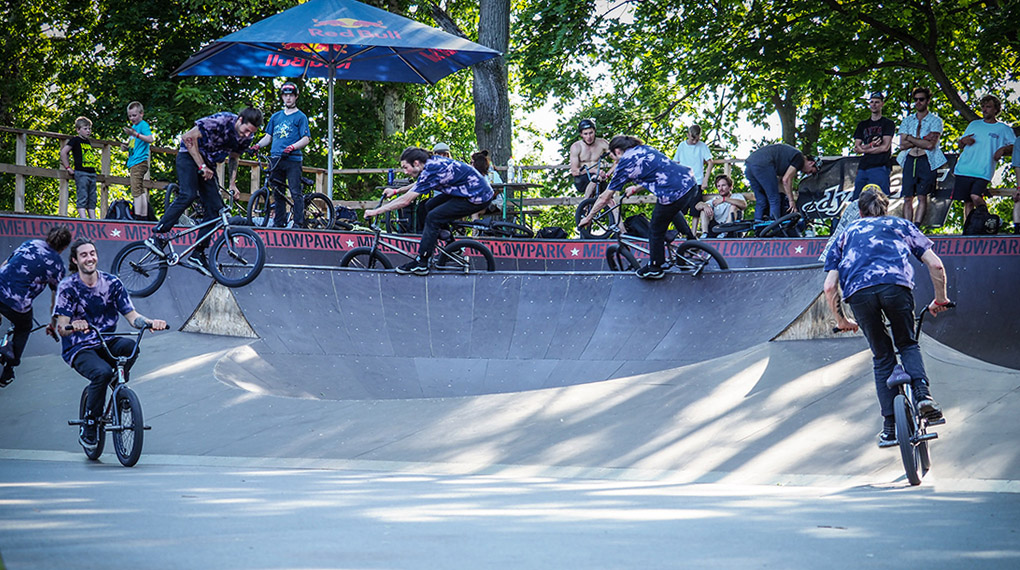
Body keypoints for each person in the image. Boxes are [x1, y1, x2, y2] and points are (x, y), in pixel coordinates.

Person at [823, 188, 950, 448]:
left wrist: (841, 320)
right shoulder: (901, 225)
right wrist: (940, 299)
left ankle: (890, 428)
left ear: (860, 212)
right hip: (895, 287)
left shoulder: (846, 234)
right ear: (886, 208)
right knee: (907, 344)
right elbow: (936, 264)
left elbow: (829, 286)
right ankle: (923, 396)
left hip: (859, 294)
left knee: (882, 356)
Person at [53, 238, 167, 451]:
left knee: (130, 348)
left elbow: (132, 317)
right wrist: (73, 325)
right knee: (101, 373)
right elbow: (61, 327)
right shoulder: (68, 287)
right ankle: (89, 425)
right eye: (84, 255)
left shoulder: (112, 283)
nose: (89, 258)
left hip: (106, 341)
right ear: (75, 260)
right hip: (79, 347)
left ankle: (118, 386)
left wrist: (150, 322)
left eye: (92, 253)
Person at [145, 107, 263, 275]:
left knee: (215, 210)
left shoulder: (246, 138)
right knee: (188, 194)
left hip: (208, 165)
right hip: (188, 157)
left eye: (251, 133)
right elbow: (188, 137)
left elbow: (234, 157)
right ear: (240, 120)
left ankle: (198, 254)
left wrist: (232, 183)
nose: (246, 135)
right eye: (246, 130)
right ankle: (157, 235)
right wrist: (201, 166)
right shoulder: (221, 121)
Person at [578, 136, 699, 279]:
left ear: (617, 151)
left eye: (612, 156)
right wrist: (635, 188)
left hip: (673, 192)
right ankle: (691, 241)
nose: (614, 161)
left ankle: (655, 267)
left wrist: (589, 217)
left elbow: (605, 197)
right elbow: (658, 172)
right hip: (691, 183)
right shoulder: (645, 149)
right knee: (670, 208)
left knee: (655, 229)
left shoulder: (624, 164)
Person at [364, 147, 494, 275]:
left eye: (405, 167)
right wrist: (396, 191)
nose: (405, 172)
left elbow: (405, 201)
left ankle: (422, 262)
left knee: (433, 217)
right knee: (427, 206)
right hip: (466, 191)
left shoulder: (432, 169)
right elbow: (419, 184)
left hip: (478, 197)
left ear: (416, 163)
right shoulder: (430, 164)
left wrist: (376, 211)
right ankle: (451, 246)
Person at [0, 226, 72, 386]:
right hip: (17, 303)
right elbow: (56, 302)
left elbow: (5, 264)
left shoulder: (30, 243)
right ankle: (8, 371)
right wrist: (53, 324)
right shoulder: (57, 266)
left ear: (48, 237)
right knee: (24, 328)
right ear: (65, 247)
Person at [250, 83, 312, 228]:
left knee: (295, 191)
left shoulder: (300, 117)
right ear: (282, 97)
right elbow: (268, 137)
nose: (288, 98)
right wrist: (257, 146)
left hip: (292, 159)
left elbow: (306, 138)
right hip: (276, 158)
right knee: (277, 192)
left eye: (291, 95)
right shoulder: (276, 117)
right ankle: (279, 221)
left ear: (296, 97)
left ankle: (298, 222)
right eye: (286, 95)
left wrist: (292, 147)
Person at [951, 95, 1015, 220]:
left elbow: (1015, 146)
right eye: (983, 107)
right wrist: (963, 141)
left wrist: (1003, 149)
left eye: (988, 107)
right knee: (968, 201)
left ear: (996, 109)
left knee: (976, 196)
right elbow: (960, 144)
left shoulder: (1003, 128)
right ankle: (969, 227)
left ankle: (987, 220)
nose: (984, 109)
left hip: (983, 170)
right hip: (964, 168)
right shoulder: (974, 124)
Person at [897, 88, 946, 226]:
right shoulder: (907, 121)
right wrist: (922, 139)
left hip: (926, 160)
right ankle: (907, 226)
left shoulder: (935, 121)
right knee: (907, 196)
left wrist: (910, 138)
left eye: (921, 99)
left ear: (928, 101)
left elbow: (930, 145)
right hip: (909, 159)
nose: (918, 102)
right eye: (916, 99)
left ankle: (917, 226)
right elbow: (902, 145)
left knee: (922, 196)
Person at [743, 144, 818, 221]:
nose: (807, 174)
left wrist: (785, 197)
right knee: (774, 198)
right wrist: (791, 201)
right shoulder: (799, 159)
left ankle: (757, 224)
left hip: (750, 164)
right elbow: (786, 180)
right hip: (763, 163)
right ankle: (774, 224)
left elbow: (780, 181)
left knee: (761, 200)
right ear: (811, 163)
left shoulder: (786, 159)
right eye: (811, 171)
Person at [852, 92, 896, 198]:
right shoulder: (862, 125)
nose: (874, 105)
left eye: (877, 102)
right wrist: (871, 145)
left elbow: (885, 147)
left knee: (880, 199)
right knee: (858, 199)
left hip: (880, 165)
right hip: (864, 166)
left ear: (882, 104)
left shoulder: (888, 123)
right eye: (872, 102)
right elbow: (857, 148)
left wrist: (864, 149)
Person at [59, 117, 100, 219]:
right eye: (85, 129)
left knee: (92, 198)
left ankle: (93, 219)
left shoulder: (88, 142)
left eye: (89, 129)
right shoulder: (75, 140)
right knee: (83, 196)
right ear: (78, 130)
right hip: (81, 173)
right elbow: (63, 152)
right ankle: (83, 219)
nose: (88, 131)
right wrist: (68, 167)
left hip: (91, 173)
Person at [121, 102, 155, 219]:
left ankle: (138, 215)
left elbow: (150, 139)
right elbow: (134, 146)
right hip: (134, 161)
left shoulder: (142, 125)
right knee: (139, 189)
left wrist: (136, 134)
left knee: (135, 190)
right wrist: (126, 147)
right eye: (130, 116)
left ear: (141, 114)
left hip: (139, 162)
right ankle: (143, 215)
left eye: (134, 115)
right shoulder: (134, 128)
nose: (132, 118)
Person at [568, 118, 611, 199]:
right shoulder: (576, 147)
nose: (589, 137)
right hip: (582, 178)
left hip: (600, 177)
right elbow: (574, 171)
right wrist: (594, 170)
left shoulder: (602, 143)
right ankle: (586, 201)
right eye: (585, 134)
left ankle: (610, 207)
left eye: (591, 133)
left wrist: (608, 173)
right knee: (595, 178)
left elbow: (617, 158)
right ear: (581, 134)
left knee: (609, 196)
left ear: (595, 131)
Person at [673, 124, 713, 192]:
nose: (694, 142)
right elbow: (676, 163)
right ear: (688, 135)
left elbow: (710, 162)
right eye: (692, 139)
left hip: (697, 181)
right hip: (683, 181)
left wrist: (705, 180)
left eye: (697, 140)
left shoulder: (702, 146)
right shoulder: (682, 146)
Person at [470, 150, 504, 219]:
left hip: (494, 203)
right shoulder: (473, 176)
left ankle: (475, 226)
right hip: (479, 203)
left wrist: (490, 197)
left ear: (477, 164)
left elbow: (501, 188)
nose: (470, 165)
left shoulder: (492, 174)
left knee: (474, 212)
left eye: (471, 162)